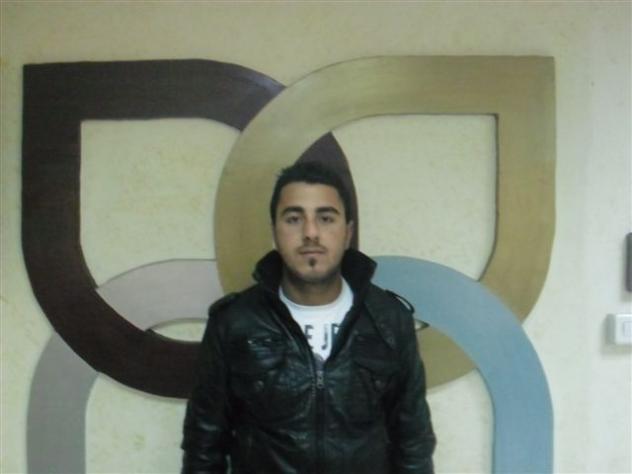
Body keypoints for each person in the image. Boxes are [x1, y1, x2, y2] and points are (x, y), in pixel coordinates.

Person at [181, 161, 436, 474]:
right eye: (294, 219)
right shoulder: (235, 323)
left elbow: (413, 444)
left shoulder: (389, 321)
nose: (311, 233)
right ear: (274, 232)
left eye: (326, 218)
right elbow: (203, 447)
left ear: (348, 233)